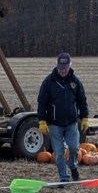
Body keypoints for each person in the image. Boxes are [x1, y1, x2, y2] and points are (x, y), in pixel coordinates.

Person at [37, 52, 89, 183]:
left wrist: (85, 117)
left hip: (71, 122)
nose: (63, 69)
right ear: (57, 65)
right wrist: (42, 121)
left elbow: (82, 100)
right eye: (60, 66)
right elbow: (42, 102)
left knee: (74, 148)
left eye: (65, 66)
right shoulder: (49, 81)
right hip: (55, 124)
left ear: (70, 65)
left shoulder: (75, 81)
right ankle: (64, 177)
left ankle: (73, 165)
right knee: (59, 154)